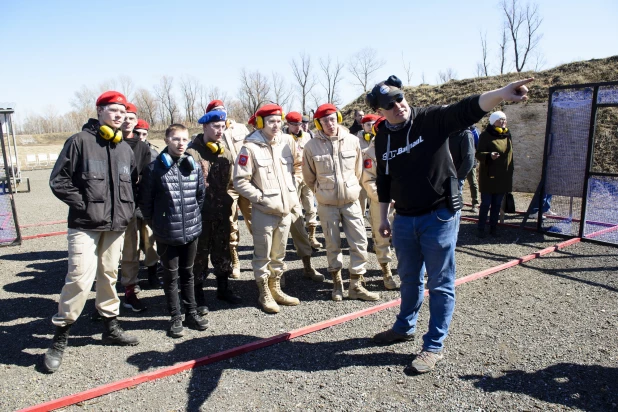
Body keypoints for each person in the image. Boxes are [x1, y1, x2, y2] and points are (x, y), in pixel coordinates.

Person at [368, 74, 533, 373]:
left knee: (440, 284)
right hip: (404, 218)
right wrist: (382, 217)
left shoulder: (429, 120)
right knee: (409, 278)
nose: (398, 106)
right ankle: (404, 327)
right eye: (389, 105)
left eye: (400, 98)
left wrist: (502, 93)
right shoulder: (383, 137)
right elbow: (384, 180)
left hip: (439, 215)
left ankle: (433, 346)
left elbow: (466, 108)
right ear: (380, 111)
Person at [44, 91, 140, 373]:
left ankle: (110, 326)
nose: (119, 115)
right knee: (79, 278)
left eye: (122, 111)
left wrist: (126, 211)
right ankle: (60, 336)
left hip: (115, 226)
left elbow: (132, 184)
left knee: (110, 276)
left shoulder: (124, 148)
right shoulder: (80, 142)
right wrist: (83, 205)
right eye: (113, 110)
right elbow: (58, 180)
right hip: (85, 226)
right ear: (99, 111)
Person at [302, 103, 379, 302]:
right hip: (327, 205)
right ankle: (337, 284)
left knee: (359, 242)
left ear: (338, 118)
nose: (330, 123)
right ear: (318, 123)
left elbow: (358, 171)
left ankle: (356, 285)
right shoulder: (311, 146)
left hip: (351, 202)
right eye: (325, 120)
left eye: (332, 118)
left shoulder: (352, 141)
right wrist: (322, 193)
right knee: (332, 244)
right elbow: (309, 178)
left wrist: (350, 189)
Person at [139, 123, 208, 338]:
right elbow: (146, 203)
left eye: (184, 139)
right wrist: (157, 224)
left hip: (191, 230)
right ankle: (175, 316)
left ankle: (191, 312)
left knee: (188, 273)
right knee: (170, 276)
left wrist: (192, 219)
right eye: (176, 139)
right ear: (167, 140)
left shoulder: (193, 166)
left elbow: (200, 196)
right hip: (166, 233)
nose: (181, 144)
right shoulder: (153, 169)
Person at [233, 104, 300, 313]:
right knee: (262, 255)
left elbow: (298, 167)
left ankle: (276, 288)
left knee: (279, 255)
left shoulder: (287, 143)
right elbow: (240, 181)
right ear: (261, 123)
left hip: (285, 210)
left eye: (279, 121)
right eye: (271, 121)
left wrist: (293, 187)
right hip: (263, 211)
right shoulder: (249, 148)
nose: (276, 125)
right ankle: (264, 292)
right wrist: (260, 198)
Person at [186, 110, 242, 317]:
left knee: (223, 250)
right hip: (199, 214)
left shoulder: (226, 153)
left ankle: (223, 288)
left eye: (222, 126)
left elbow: (231, 183)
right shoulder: (192, 154)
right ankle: (197, 295)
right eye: (216, 126)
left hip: (221, 212)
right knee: (199, 255)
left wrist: (230, 202)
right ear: (205, 127)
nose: (220, 130)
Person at [205, 100, 252, 279]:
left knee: (256, 221)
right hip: (227, 186)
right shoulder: (212, 131)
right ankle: (236, 261)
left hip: (246, 182)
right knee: (231, 225)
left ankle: (262, 259)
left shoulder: (241, 129)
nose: (220, 114)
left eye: (222, 110)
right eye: (216, 111)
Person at [119, 103, 153, 311]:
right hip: (105, 211)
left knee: (130, 253)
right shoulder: (103, 142)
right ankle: (102, 300)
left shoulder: (142, 147)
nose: (127, 121)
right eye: (124, 116)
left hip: (130, 206)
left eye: (131, 117)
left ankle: (130, 292)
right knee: (105, 257)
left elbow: (146, 178)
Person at [283, 112, 323, 282]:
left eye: (299, 123)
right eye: (293, 124)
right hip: (288, 180)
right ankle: (278, 273)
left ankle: (307, 265)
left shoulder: (307, 136)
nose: (297, 126)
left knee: (308, 211)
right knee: (284, 227)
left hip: (306, 176)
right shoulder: (283, 139)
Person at [360, 116, 399, 290]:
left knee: (408, 236)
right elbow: (368, 181)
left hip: (406, 201)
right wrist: (385, 198)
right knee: (382, 237)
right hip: (382, 202)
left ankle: (410, 268)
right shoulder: (370, 153)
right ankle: (386, 270)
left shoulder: (404, 146)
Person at [132, 119, 161, 288]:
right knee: (132, 245)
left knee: (151, 243)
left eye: (144, 134)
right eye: (137, 133)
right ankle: (132, 278)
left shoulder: (154, 153)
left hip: (149, 204)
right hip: (131, 204)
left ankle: (152, 274)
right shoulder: (125, 149)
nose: (141, 137)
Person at [476, 111, 514, 238]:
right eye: (500, 120)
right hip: (489, 175)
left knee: (497, 204)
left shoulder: (507, 135)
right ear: (493, 122)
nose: (503, 122)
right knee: (486, 203)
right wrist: (489, 156)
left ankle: (493, 228)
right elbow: (478, 154)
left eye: (504, 119)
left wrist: (510, 172)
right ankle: (480, 228)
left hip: (503, 176)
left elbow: (510, 156)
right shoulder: (485, 135)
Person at [356, 113, 380, 219]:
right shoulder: (356, 140)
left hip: (374, 177)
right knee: (361, 203)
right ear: (363, 126)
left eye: (373, 124)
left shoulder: (380, 138)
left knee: (374, 204)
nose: (371, 127)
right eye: (368, 125)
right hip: (361, 177)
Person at [447, 126, 475, 193]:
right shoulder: (447, 133)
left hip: (457, 176)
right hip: (445, 175)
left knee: (455, 200)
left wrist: (459, 176)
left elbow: (469, 159)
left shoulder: (466, 135)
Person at [466, 126, 481, 212]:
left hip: (471, 160)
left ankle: (475, 203)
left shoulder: (474, 131)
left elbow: (478, 146)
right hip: (458, 161)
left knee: (473, 182)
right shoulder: (458, 128)